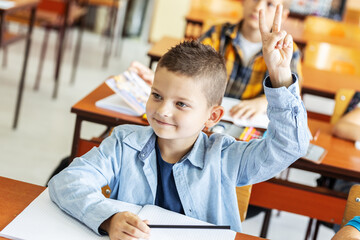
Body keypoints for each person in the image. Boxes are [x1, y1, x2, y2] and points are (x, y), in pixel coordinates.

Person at [48, 5, 309, 240]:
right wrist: (108, 218)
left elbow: (290, 146)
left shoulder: (225, 157)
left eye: (181, 104)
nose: (163, 111)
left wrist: (280, 75)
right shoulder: (122, 142)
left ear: (213, 116)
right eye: (157, 96)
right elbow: (67, 181)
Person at [129, 0, 302, 120]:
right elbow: (187, 70)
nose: (258, 8)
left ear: (284, 15)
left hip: (248, 122)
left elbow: (293, 95)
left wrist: (263, 102)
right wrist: (159, 80)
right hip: (204, 114)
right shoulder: (216, 34)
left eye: (270, 4)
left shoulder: (286, 51)